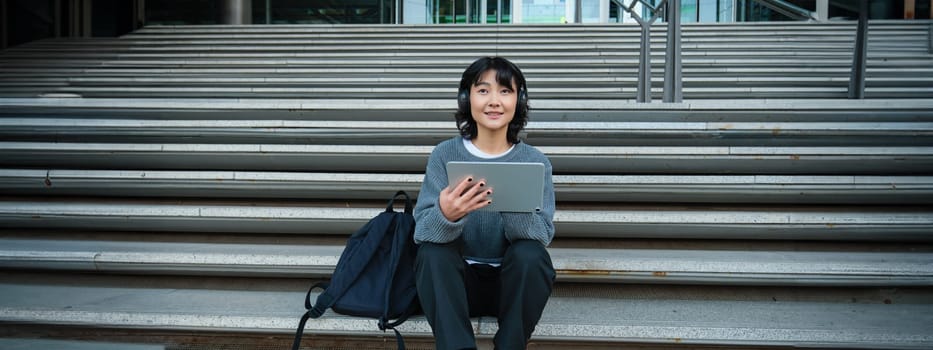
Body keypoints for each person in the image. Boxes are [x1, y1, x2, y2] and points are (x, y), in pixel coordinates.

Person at [413, 56, 556, 350]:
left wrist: (513, 202)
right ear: (466, 98)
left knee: (532, 255)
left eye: (505, 91)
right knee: (432, 254)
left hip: (510, 284)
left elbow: (543, 235)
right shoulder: (445, 154)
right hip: (458, 284)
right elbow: (422, 232)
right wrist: (447, 215)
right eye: (483, 91)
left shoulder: (534, 161)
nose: (494, 101)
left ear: (519, 99)